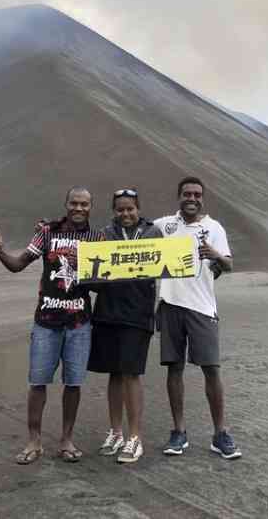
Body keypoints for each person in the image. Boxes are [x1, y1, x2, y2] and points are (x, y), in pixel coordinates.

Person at [0, 186, 104, 464]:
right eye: (74, 203)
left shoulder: (98, 238)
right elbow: (18, 265)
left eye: (84, 204)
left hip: (79, 323)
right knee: (38, 382)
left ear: (90, 207)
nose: (78, 208)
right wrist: (1, 252)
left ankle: (66, 440)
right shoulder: (48, 232)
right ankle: (33, 441)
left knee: (73, 384)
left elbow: (104, 282)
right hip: (46, 322)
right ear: (66, 204)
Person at [154, 176, 241, 459]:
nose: (191, 198)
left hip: (202, 307)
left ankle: (220, 433)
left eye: (196, 194)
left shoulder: (214, 228)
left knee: (211, 369)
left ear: (203, 197)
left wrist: (215, 254)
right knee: (174, 368)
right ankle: (179, 432)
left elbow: (228, 265)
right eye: (186, 194)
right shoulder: (165, 224)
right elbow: (133, 237)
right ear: (179, 196)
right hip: (170, 304)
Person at [88, 188, 161, 464]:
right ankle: (116, 432)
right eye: (120, 209)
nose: (125, 214)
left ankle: (135, 438)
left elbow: (167, 264)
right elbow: (92, 275)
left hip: (138, 315)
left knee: (131, 373)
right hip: (107, 313)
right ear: (114, 211)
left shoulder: (153, 233)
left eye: (130, 208)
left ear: (138, 208)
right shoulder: (105, 234)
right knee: (114, 374)